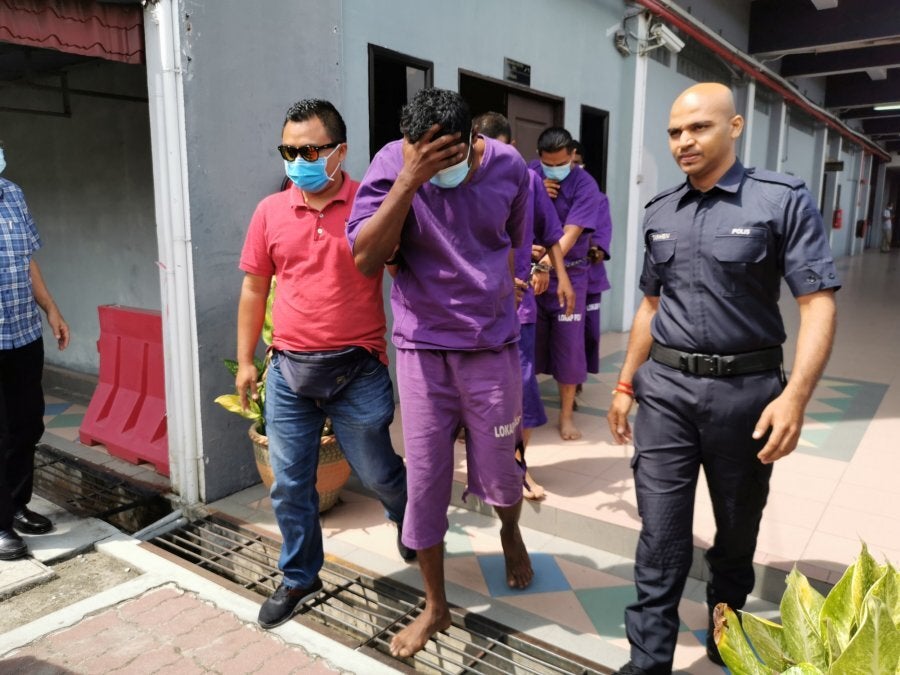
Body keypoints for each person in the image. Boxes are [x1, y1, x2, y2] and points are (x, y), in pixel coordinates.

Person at [606, 83, 839, 675]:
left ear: (734, 127)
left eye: (698, 128)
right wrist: (626, 384)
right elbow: (651, 305)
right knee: (660, 538)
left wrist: (795, 398)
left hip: (746, 396)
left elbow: (816, 302)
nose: (683, 141)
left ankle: (725, 634)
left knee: (736, 534)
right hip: (666, 394)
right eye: (674, 132)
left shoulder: (779, 200)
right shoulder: (660, 210)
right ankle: (647, 663)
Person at [348, 88, 540, 658]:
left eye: (448, 158)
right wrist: (410, 180)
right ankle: (435, 605)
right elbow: (364, 258)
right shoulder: (392, 163)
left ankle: (510, 531)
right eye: (423, 156)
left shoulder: (509, 167)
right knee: (426, 479)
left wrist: (506, 298)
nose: (439, 169)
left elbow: (514, 245)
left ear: (472, 139)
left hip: (492, 347)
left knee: (502, 469)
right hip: (423, 349)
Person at [235, 99, 412, 630]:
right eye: (288, 151)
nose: (297, 161)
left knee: (380, 473)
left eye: (309, 151)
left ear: (340, 152)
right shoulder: (270, 211)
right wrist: (245, 361)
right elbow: (254, 287)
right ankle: (299, 576)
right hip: (289, 372)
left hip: (358, 370)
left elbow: (404, 269)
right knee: (290, 484)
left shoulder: (370, 203)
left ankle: (408, 518)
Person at [472, 112, 575, 501]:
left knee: (521, 393)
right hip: (474, 309)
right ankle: (486, 466)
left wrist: (559, 275)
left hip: (519, 310)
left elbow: (551, 233)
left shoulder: (528, 180)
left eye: (496, 148)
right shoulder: (462, 180)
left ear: (511, 147)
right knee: (482, 394)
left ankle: (518, 467)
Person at [0, 142, 70, 561]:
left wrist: (51, 308)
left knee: (26, 424)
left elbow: (27, 260)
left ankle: (16, 504)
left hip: (23, 332)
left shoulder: (13, 193)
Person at [530, 127, 610, 440]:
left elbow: (570, 235)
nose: (555, 170)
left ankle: (565, 416)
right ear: (539, 157)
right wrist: (536, 191)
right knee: (528, 345)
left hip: (570, 275)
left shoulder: (585, 185)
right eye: (548, 164)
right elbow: (511, 214)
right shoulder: (530, 174)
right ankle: (524, 410)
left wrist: (543, 265)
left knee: (569, 348)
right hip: (531, 275)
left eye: (562, 164)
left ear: (572, 157)